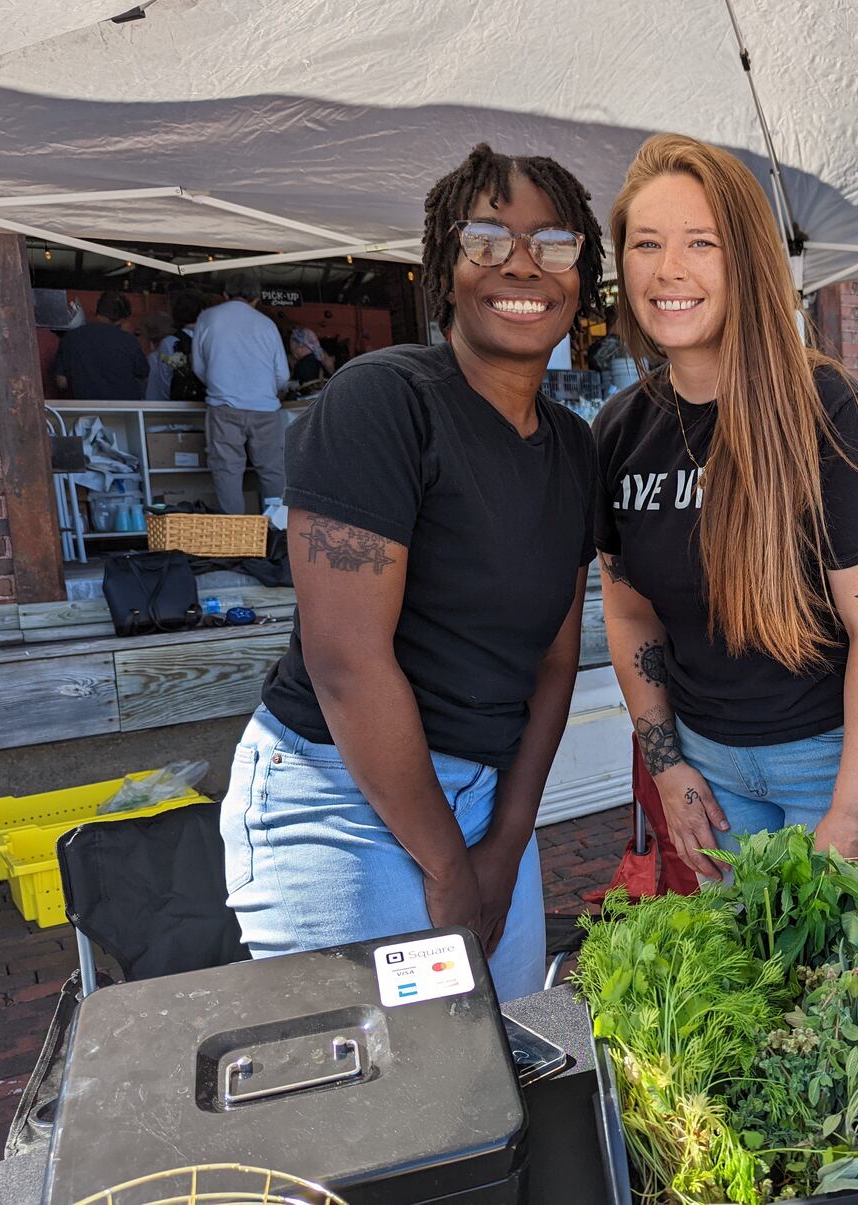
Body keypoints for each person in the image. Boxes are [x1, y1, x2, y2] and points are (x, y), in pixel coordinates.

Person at [223, 146, 603, 1000]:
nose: (520, 263)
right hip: (337, 800)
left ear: (583, 276)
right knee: (393, 1107)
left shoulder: (575, 449)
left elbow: (552, 660)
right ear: (445, 268)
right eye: (486, 239)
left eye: (553, 243)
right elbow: (347, 662)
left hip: (484, 797)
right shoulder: (382, 401)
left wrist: (505, 842)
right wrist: (447, 865)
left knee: (507, 1075)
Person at [594, 133, 858, 881]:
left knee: (852, 993)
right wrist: (668, 765)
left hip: (837, 761)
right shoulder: (620, 432)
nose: (668, 269)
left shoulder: (835, 417)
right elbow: (630, 614)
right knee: (749, 990)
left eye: (699, 243)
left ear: (745, 259)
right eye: (645, 243)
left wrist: (851, 811)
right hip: (710, 772)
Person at [192, 271, 290, 514]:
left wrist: (221, 386)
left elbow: (198, 367)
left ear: (225, 295)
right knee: (273, 471)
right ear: (256, 299)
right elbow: (283, 376)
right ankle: (277, 531)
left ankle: (236, 537)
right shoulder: (267, 324)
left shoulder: (208, 318)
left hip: (224, 407)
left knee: (227, 471)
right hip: (266, 409)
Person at [50, 290, 148, 400]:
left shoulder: (70, 338)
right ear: (121, 319)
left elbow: (61, 382)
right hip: (125, 412)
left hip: (86, 412)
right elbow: (143, 373)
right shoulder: (129, 341)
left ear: (98, 310)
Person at [145, 290, 207, 401]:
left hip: (178, 403)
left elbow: (164, 382)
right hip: (206, 402)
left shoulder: (169, 342)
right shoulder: (208, 340)